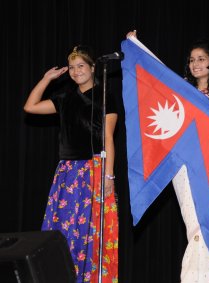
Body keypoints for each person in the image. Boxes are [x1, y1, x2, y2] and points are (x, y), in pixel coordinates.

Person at [126, 31, 209, 283]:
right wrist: (138, 48)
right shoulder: (181, 96)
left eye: (201, 59)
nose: (196, 64)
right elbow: (158, 76)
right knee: (196, 228)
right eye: (191, 60)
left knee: (208, 228)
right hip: (185, 170)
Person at [23, 45, 119, 283]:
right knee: (65, 230)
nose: (76, 72)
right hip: (67, 172)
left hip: (94, 169)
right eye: (73, 68)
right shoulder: (65, 98)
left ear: (92, 67)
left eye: (81, 66)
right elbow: (30, 107)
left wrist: (109, 177)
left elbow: (108, 138)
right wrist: (46, 79)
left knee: (90, 230)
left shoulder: (105, 96)